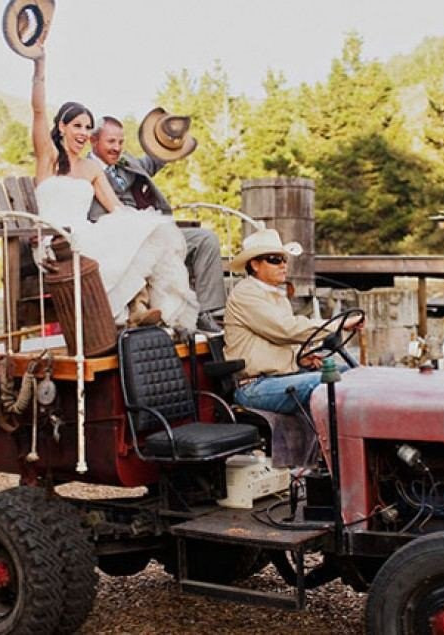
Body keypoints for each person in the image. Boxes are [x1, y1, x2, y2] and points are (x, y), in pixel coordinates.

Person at [29, 50, 198, 330]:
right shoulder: (48, 158)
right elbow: (37, 110)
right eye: (76, 126)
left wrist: (141, 225)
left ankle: (145, 308)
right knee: (119, 241)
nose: (82, 133)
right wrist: (39, 66)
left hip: (85, 233)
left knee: (149, 231)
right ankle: (135, 306)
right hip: (55, 241)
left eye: (87, 127)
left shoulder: (91, 169)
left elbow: (116, 209)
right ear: (61, 127)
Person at [88, 115, 227, 331]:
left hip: (156, 229)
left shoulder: (128, 162)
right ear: (94, 141)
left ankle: (208, 312)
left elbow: (156, 158)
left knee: (206, 240)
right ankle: (147, 312)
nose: (117, 148)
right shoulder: (85, 169)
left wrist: (171, 137)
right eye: (111, 142)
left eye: (121, 142)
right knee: (146, 247)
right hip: (118, 235)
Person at [224, 228, 364, 416]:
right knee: (329, 382)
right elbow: (285, 329)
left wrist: (303, 356)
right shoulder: (246, 294)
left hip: (283, 376)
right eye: (274, 260)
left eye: (284, 260)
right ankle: (335, 442)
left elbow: (281, 339)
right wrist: (338, 324)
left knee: (354, 374)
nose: (283, 265)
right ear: (255, 264)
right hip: (255, 386)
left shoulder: (277, 295)